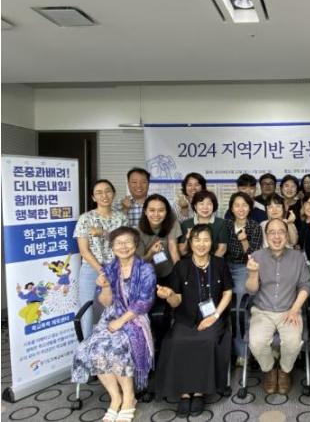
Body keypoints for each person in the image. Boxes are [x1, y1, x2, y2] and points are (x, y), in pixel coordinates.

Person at [72, 227, 156, 422]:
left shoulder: (145, 269)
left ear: (135, 245)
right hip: (110, 317)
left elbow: (144, 303)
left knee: (115, 347)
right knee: (90, 348)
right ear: (112, 246)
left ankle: (129, 398)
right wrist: (106, 287)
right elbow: (105, 302)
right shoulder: (108, 269)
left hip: (134, 318)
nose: (123, 246)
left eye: (128, 242)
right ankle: (115, 397)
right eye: (118, 243)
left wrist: (121, 321)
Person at [155, 225, 233, 417]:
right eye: (197, 240)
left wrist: (215, 316)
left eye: (206, 240)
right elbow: (177, 301)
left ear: (212, 243)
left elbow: (227, 292)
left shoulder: (220, 264)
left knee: (207, 340)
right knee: (177, 341)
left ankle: (199, 391)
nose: (201, 244)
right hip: (186, 318)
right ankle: (184, 392)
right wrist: (169, 295)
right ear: (190, 243)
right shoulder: (181, 266)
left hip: (213, 316)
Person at [246, 218, 310, 395]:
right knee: (256, 343)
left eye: (281, 232)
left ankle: (284, 370)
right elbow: (251, 290)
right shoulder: (256, 256)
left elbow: (305, 286)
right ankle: (269, 370)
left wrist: (295, 309)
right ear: (266, 236)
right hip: (262, 311)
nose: (276, 236)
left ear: (287, 235)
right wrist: (253, 273)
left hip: (290, 310)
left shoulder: (298, 257)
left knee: (293, 342)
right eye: (272, 232)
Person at [74, 179, 128, 338]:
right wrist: (101, 270)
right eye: (99, 192)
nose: (104, 195)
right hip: (91, 269)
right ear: (93, 197)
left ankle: (111, 344)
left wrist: (103, 233)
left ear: (114, 194)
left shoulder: (121, 218)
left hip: (117, 267)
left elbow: (125, 243)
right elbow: (84, 250)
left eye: (108, 191)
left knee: (115, 307)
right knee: (87, 310)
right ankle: (87, 346)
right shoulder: (85, 218)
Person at [222, 192, 263, 362]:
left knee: (238, 306)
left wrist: (244, 240)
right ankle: (224, 349)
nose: (241, 209)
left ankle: (242, 353)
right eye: (237, 205)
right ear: (231, 208)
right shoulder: (225, 225)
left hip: (244, 269)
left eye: (244, 205)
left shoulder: (254, 226)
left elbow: (253, 256)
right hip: (224, 267)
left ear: (250, 208)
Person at [136, 194, 181, 281]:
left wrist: (180, 274)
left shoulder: (173, 223)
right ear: (145, 211)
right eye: (152, 210)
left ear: (166, 212)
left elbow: (173, 249)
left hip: (170, 271)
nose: (156, 214)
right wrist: (151, 252)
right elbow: (140, 262)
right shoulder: (138, 231)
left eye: (161, 210)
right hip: (147, 274)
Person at [179, 190, 227, 256]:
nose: (205, 207)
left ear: (213, 206)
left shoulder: (221, 223)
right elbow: (182, 251)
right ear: (195, 206)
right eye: (201, 204)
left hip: (214, 260)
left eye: (209, 204)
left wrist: (210, 262)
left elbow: (222, 249)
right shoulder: (186, 224)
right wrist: (187, 239)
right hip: (190, 261)